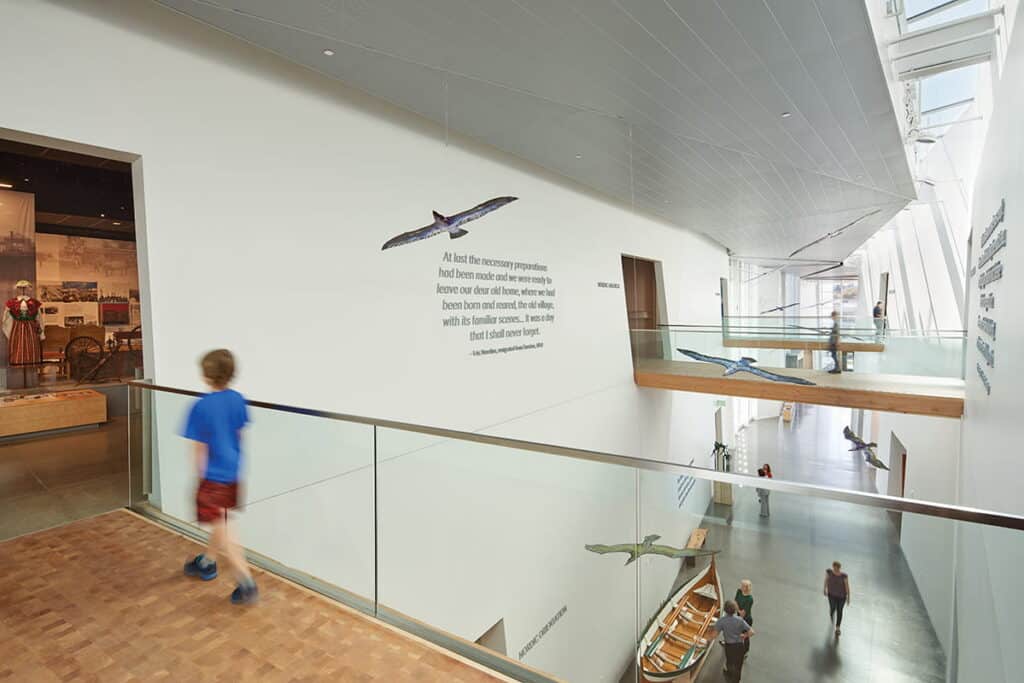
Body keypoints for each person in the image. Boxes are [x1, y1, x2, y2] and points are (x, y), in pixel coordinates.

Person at [181, 349, 258, 605]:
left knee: (226, 531)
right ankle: (207, 562)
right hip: (233, 474)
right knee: (221, 520)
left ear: (206, 376)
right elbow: (239, 434)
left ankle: (245, 581)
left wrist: (201, 480)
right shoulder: (238, 400)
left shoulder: (200, 407)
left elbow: (199, 449)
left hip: (212, 478)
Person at [714, 600, 754, 682]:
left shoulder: (721, 621)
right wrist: (744, 636)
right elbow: (752, 632)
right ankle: (736, 680)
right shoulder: (740, 620)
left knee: (729, 661)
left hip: (729, 646)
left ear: (725, 610)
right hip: (739, 646)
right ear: (735, 610)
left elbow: (714, 635)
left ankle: (729, 673)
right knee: (738, 665)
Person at [824, 560, 851, 636]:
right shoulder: (829, 572)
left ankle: (838, 628)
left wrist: (848, 597)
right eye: (834, 567)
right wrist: (824, 588)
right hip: (832, 595)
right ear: (833, 567)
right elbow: (826, 580)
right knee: (832, 608)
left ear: (839, 568)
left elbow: (847, 587)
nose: (836, 569)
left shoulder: (844, 576)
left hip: (842, 597)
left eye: (837, 567)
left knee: (840, 610)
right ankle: (832, 614)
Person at [734, 580, 754, 656]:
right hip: (738, 615)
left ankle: (745, 651)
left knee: (745, 635)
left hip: (746, 619)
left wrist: (738, 611)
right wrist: (738, 610)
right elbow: (735, 602)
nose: (741, 586)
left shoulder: (749, 599)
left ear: (747, 588)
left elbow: (743, 613)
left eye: (743, 586)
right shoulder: (739, 591)